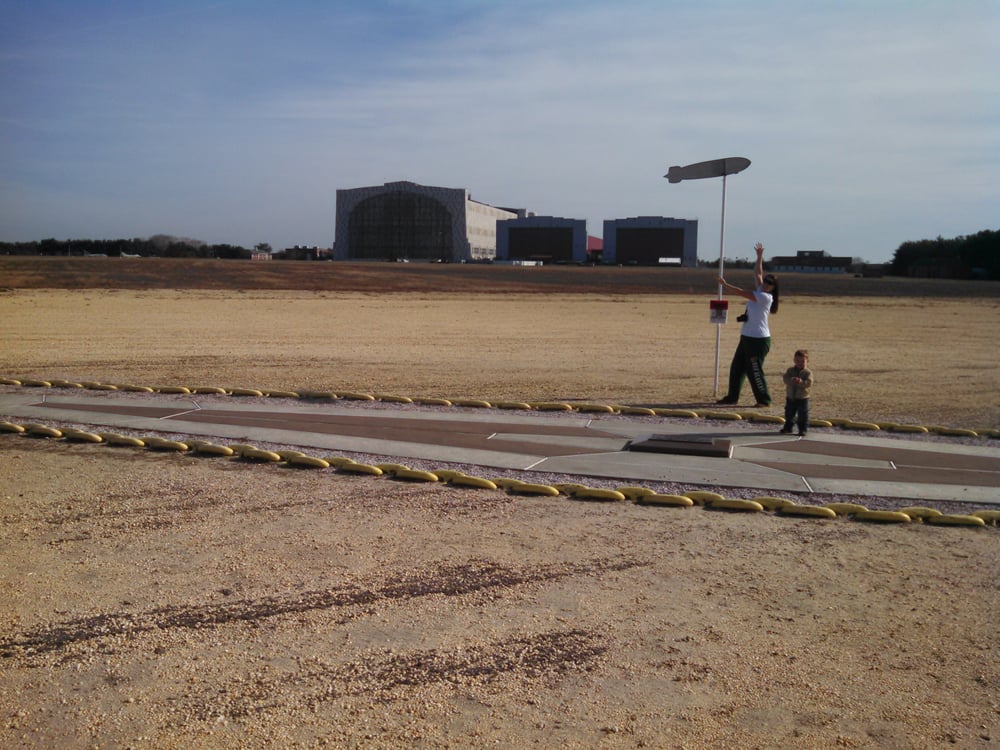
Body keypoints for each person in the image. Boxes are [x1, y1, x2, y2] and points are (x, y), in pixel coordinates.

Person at [716, 242, 779, 406]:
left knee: (754, 371)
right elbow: (758, 273)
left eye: (769, 283)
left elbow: (741, 292)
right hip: (746, 336)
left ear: (773, 288)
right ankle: (732, 397)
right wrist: (759, 256)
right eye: (766, 281)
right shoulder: (760, 290)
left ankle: (764, 400)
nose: (765, 284)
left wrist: (725, 285)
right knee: (737, 367)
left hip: (758, 339)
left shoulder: (765, 297)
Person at [780, 349, 813, 436]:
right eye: (797, 361)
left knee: (803, 415)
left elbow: (809, 383)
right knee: (789, 413)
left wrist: (800, 381)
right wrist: (791, 380)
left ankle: (803, 429)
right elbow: (785, 379)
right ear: (794, 360)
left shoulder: (808, 373)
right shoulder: (790, 371)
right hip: (791, 397)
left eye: (802, 361)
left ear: (807, 361)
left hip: (802, 398)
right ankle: (788, 428)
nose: (800, 363)